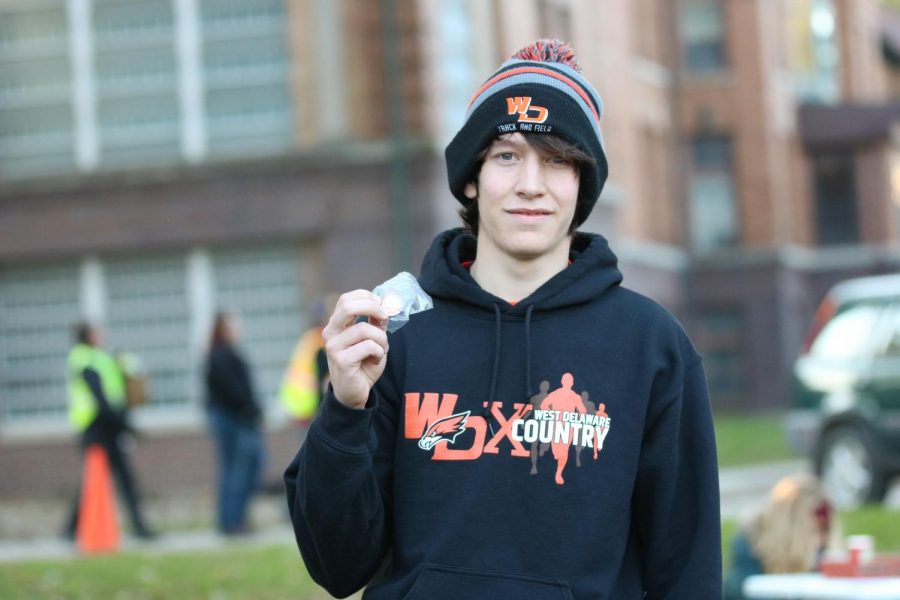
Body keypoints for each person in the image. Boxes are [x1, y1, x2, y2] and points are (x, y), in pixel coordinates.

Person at [284, 39, 721, 598]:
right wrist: (345, 409)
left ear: (581, 184)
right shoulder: (399, 336)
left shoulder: (650, 345)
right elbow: (337, 567)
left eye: (558, 160)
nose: (530, 184)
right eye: (508, 155)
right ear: (472, 176)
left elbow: (688, 567)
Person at [64, 322, 155, 540]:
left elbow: (120, 385)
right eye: (97, 333)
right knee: (100, 480)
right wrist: (125, 426)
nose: (103, 336)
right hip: (97, 429)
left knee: (106, 479)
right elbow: (101, 400)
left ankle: (70, 531)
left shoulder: (101, 358)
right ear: (87, 336)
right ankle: (139, 528)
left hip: (108, 428)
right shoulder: (85, 361)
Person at [723, 473, 839, 600]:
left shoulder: (823, 556)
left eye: (824, 530)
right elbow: (739, 592)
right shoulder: (750, 550)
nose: (819, 541)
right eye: (813, 531)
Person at [205, 311, 265, 536]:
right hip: (233, 421)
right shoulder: (220, 356)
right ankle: (231, 522)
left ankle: (236, 519)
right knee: (235, 472)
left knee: (244, 469)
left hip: (240, 419)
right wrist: (248, 408)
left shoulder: (228, 354)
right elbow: (231, 391)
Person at [279, 296, 334, 436]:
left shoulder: (309, 339)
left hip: (300, 409)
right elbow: (325, 381)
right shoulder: (320, 342)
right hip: (311, 411)